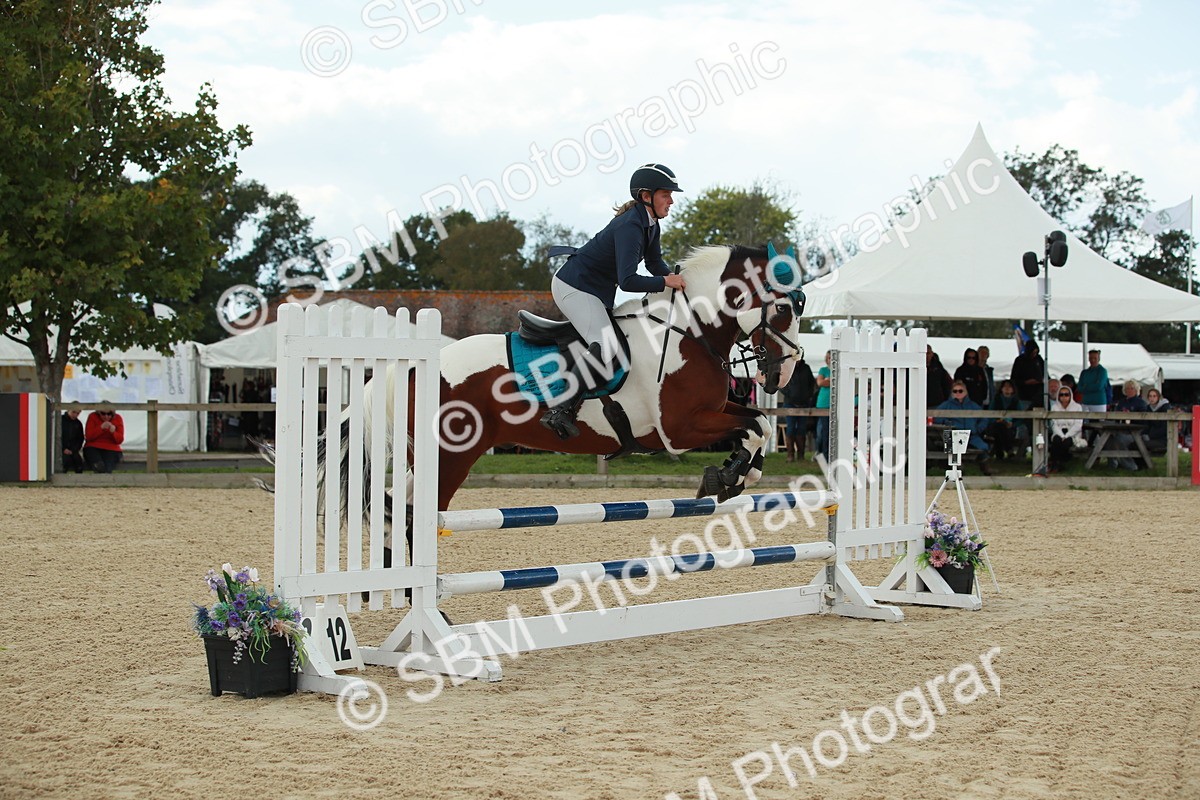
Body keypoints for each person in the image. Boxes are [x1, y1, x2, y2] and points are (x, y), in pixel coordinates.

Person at [540, 163, 688, 439]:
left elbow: (655, 262)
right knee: (605, 346)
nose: (671, 200)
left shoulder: (650, 224)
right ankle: (560, 409)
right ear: (647, 196)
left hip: (593, 289)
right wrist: (665, 282)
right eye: (666, 194)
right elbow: (629, 280)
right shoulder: (631, 226)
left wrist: (672, 277)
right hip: (574, 286)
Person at [934, 380, 993, 475]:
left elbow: (984, 418)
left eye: (960, 391)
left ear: (966, 392)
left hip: (971, 435)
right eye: (955, 391)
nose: (958, 393)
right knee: (953, 448)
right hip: (954, 435)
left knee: (983, 447)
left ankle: (985, 468)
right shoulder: (946, 405)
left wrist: (978, 428)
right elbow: (936, 417)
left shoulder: (973, 405)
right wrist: (948, 423)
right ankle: (957, 468)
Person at [779, 352, 816, 462]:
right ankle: (790, 455)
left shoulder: (806, 368)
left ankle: (801, 455)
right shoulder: (787, 368)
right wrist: (789, 394)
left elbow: (812, 384)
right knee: (790, 428)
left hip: (804, 403)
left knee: (801, 429)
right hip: (790, 403)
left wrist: (808, 396)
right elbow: (781, 384)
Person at [1110, 380, 1150, 471]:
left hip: (1136, 432)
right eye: (1127, 388)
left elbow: (1144, 421)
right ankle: (1113, 464)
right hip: (1121, 429)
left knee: (1120, 439)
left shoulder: (1141, 403)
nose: (1129, 390)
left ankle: (1131, 466)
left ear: (1136, 390)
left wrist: (1131, 415)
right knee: (1109, 438)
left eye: (1132, 388)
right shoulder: (1121, 403)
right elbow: (1115, 417)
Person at [986, 379, 1027, 460]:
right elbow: (989, 415)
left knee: (1002, 429)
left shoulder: (1016, 401)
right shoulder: (996, 400)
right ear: (1001, 388)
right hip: (995, 426)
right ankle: (1009, 450)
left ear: (1013, 389)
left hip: (1010, 428)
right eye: (1005, 386)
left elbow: (1021, 418)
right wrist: (996, 421)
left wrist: (1013, 424)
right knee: (1000, 426)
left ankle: (999, 453)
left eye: (1009, 386)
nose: (1007, 388)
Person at [1048, 385, 1085, 472]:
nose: (1064, 397)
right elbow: (1053, 424)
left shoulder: (1077, 407)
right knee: (1056, 441)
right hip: (1059, 432)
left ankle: (1060, 463)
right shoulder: (1054, 407)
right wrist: (1061, 435)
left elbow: (1078, 424)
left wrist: (1067, 435)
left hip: (1073, 433)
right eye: (1061, 394)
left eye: (1066, 394)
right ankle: (1055, 463)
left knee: (1067, 442)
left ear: (1070, 395)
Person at [84, 408, 124, 473]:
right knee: (99, 466)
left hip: (111, 448)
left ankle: (105, 480)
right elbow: (88, 436)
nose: (106, 416)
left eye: (109, 414)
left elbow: (119, 440)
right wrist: (101, 428)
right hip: (93, 447)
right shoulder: (92, 416)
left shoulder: (118, 418)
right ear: (99, 413)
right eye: (103, 414)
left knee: (108, 468)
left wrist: (113, 433)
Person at [1011, 341, 1045, 406]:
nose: (1034, 354)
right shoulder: (1020, 360)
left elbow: (1045, 373)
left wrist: (1041, 380)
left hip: (1038, 393)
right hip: (1023, 394)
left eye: (1036, 352)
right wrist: (1025, 382)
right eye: (1033, 352)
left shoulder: (1039, 359)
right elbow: (1014, 378)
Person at [814, 351, 832, 461]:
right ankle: (824, 455)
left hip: (836, 404)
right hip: (823, 404)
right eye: (829, 357)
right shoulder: (823, 370)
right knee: (824, 432)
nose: (830, 360)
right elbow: (820, 383)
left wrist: (828, 380)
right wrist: (829, 381)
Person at [1145, 387, 1171, 452]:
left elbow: (1165, 428)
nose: (1152, 398)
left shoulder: (1165, 408)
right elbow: (1147, 425)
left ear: (1158, 397)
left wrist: (1150, 435)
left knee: (1140, 445)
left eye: (1154, 396)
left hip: (1162, 440)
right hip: (1150, 438)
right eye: (1150, 396)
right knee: (1135, 445)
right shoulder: (1148, 408)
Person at [61, 409, 86, 474]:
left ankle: (78, 482)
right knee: (64, 462)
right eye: (73, 412)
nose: (75, 415)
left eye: (78, 413)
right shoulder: (60, 420)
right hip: (60, 449)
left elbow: (80, 439)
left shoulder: (78, 423)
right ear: (68, 410)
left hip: (73, 450)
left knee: (79, 463)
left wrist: (74, 450)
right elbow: (56, 436)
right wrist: (63, 448)